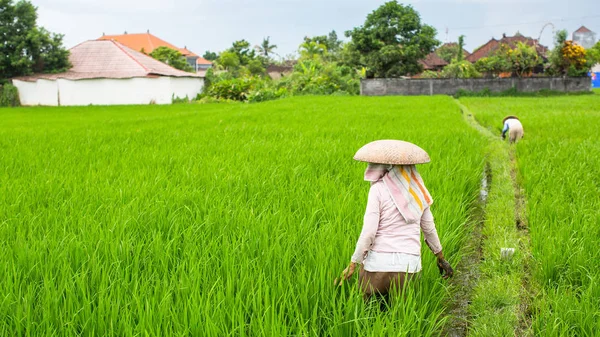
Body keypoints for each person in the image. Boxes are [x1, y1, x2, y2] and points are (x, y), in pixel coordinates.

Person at [336, 140, 453, 301]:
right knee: (400, 316)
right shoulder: (418, 193)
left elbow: (369, 232)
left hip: (377, 267)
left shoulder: (377, 189)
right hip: (408, 267)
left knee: (369, 314)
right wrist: (440, 257)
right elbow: (429, 229)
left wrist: (353, 263)